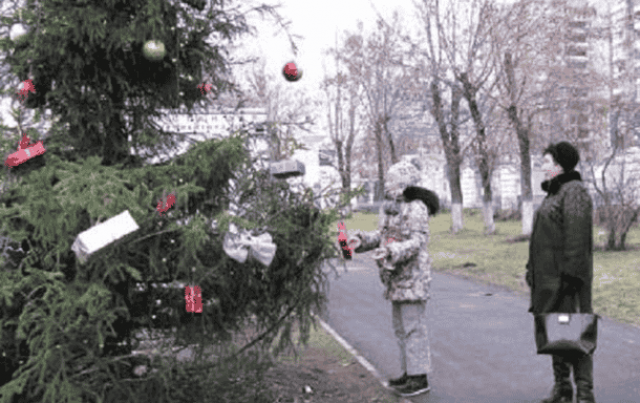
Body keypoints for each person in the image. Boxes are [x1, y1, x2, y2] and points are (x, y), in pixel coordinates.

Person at [347, 160, 440, 398]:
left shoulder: (415, 207)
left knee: (413, 328)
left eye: (391, 180)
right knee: (401, 329)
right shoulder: (391, 206)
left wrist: (392, 251)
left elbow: (418, 241)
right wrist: (361, 241)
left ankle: (419, 378)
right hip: (396, 277)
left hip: (413, 277)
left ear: (403, 182)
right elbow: (382, 234)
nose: (386, 184)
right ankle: (409, 373)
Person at [527, 141, 596, 403]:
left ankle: (585, 394)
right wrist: (530, 270)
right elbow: (544, 237)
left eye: (545, 162)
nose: (542, 167)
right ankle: (563, 390)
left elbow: (577, 239)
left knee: (575, 335)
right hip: (548, 282)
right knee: (556, 334)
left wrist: (570, 278)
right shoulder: (555, 193)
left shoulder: (574, 191)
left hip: (568, 282)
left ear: (559, 165)